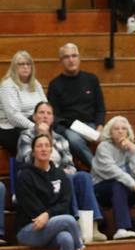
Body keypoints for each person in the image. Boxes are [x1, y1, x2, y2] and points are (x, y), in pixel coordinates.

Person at [16, 134, 104, 250]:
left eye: (46, 145)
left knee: (66, 238)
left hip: (53, 226)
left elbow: (65, 202)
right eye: (39, 146)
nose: (43, 149)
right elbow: (31, 208)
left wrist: (48, 214)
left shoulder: (59, 174)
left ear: (51, 150)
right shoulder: (25, 175)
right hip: (29, 229)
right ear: (33, 152)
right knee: (68, 220)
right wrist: (48, 215)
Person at [17, 102, 107, 242]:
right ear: (34, 117)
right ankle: (75, 221)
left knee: (83, 176)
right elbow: (28, 162)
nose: (45, 116)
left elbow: (70, 165)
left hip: (61, 175)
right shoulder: (26, 136)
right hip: (39, 177)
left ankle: (92, 225)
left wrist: (65, 172)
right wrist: (42, 136)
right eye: (41, 113)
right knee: (65, 178)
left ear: (53, 118)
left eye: (48, 113)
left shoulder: (60, 138)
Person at [46, 43, 105, 168]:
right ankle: (98, 170)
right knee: (74, 140)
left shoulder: (91, 79)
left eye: (74, 56)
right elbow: (55, 116)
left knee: (114, 135)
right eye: (66, 57)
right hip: (69, 127)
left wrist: (99, 128)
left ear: (79, 58)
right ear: (61, 60)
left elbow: (100, 108)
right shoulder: (55, 85)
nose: (71, 60)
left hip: (91, 124)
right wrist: (71, 127)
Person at [0, 51, 45, 152]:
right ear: (14, 67)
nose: (25, 67)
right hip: (11, 128)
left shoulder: (35, 83)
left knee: (60, 135)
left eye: (28, 64)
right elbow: (13, 116)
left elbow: (45, 106)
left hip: (35, 122)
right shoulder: (8, 85)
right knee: (38, 142)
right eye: (21, 64)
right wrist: (35, 127)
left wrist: (45, 122)